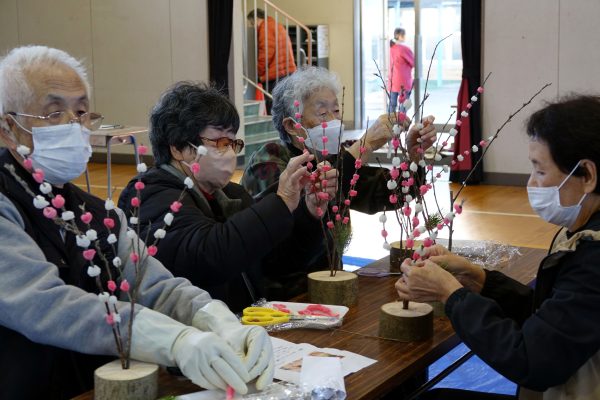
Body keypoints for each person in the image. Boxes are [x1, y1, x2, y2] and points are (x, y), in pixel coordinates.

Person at [0, 45, 273, 399]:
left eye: (81, 112)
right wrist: (171, 339)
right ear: (9, 128)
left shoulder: (94, 211)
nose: (74, 125)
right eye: (54, 114)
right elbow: (43, 303)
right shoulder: (7, 202)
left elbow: (153, 283)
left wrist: (216, 319)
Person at [397, 95, 600, 399]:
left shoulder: (593, 257)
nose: (531, 184)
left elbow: (531, 359)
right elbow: (553, 322)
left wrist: (451, 294)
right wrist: (480, 280)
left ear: (587, 175)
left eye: (541, 171)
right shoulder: (582, 235)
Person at [118, 82, 337, 308]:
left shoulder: (230, 194)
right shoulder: (151, 197)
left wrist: (308, 211)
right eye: (221, 143)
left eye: (233, 142)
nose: (230, 152)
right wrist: (281, 200)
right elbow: (210, 256)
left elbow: (274, 263)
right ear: (178, 148)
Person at [241, 65, 437, 215]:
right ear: (292, 126)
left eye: (336, 110)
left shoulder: (334, 156)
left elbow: (392, 194)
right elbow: (293, 221)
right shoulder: (269, 160)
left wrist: (414, 157)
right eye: (323, 112)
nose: (334, 120)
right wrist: (364, 146)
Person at [247, 8, 297, 114]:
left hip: (275, 74)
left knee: (272, 105)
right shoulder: (276, 25)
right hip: (286, 70)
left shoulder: (265, 28)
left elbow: (266, 52)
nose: (253, 27)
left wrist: (258, 72)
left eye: (252, 23)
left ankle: (274, 127)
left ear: (256, 19)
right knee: (284, 104)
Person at [388, 28, 414, 113]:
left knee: (392, 105)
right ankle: (401, 125)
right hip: (403, 80)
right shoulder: (404, 49)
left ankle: (390, 125)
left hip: (393, 81)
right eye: (404, 35)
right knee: (403, 105)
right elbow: (413, 62)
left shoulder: (391, 48)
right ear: (399, 36)